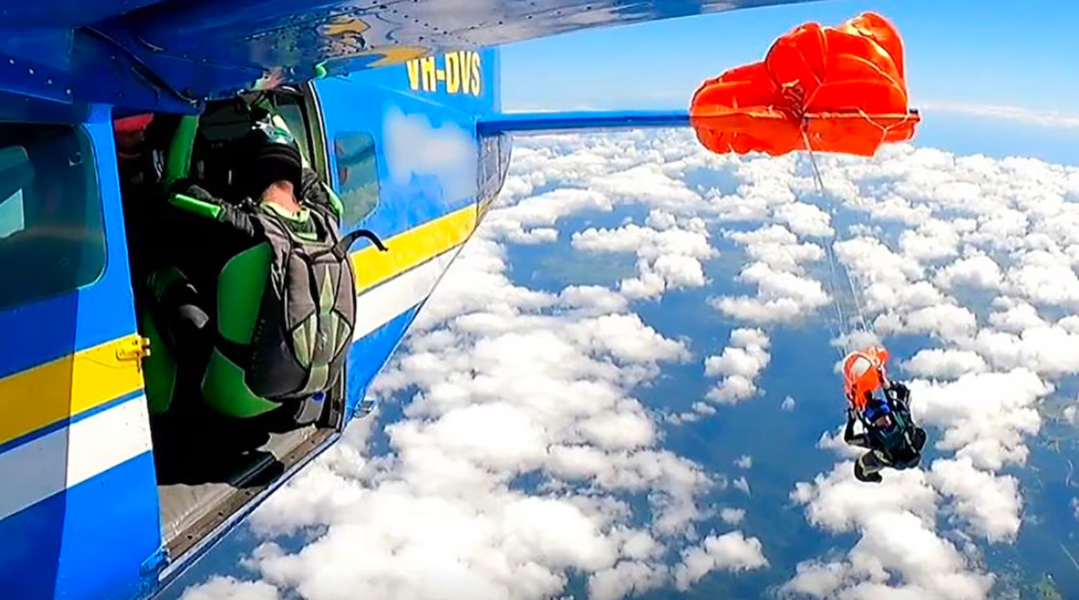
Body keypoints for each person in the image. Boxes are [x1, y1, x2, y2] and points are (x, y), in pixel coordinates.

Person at [843, 380, 927, 483]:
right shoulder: (875, 437)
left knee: (862, 468)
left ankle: (875, 477)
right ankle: (875, 478)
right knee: (860, 470)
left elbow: (905, 393)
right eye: (879, 418)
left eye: (885, 414)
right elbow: (849, 439)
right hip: (892, 457)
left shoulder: (901, 417)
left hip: (897, 455)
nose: (885, 419)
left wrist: (887, 384)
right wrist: (852, 420)